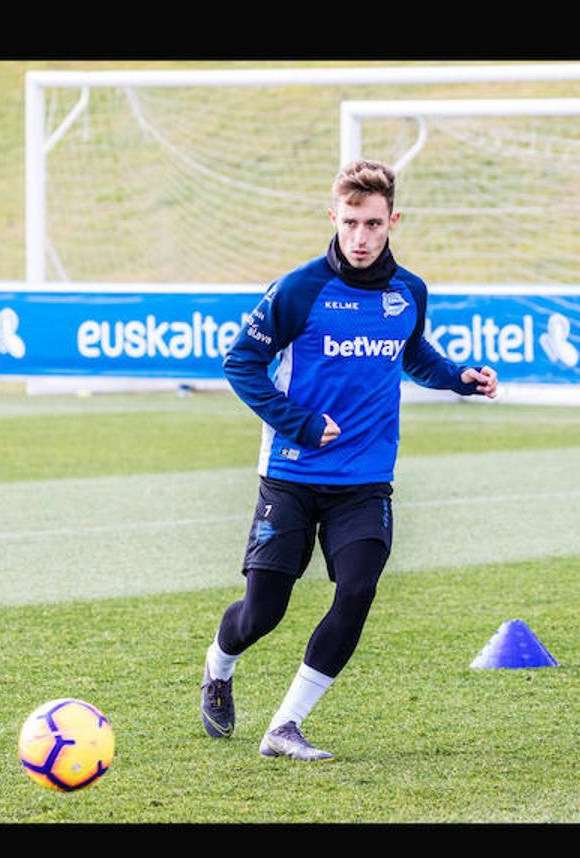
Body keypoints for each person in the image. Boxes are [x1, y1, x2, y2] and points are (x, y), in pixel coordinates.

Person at [200, 159, 499, 759]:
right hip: (290, 475)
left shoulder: (408, 291)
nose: (361, 238)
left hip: (366, 479)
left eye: (373, 224)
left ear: (393, 221)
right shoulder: (300, 289)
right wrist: (301, 424)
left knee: (357, 589)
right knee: (263, 614)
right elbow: (240, 363)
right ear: (332, 218)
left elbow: (412, 353)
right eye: (351, 223)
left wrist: (458, 378)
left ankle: (285, 726)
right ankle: (218, 666)